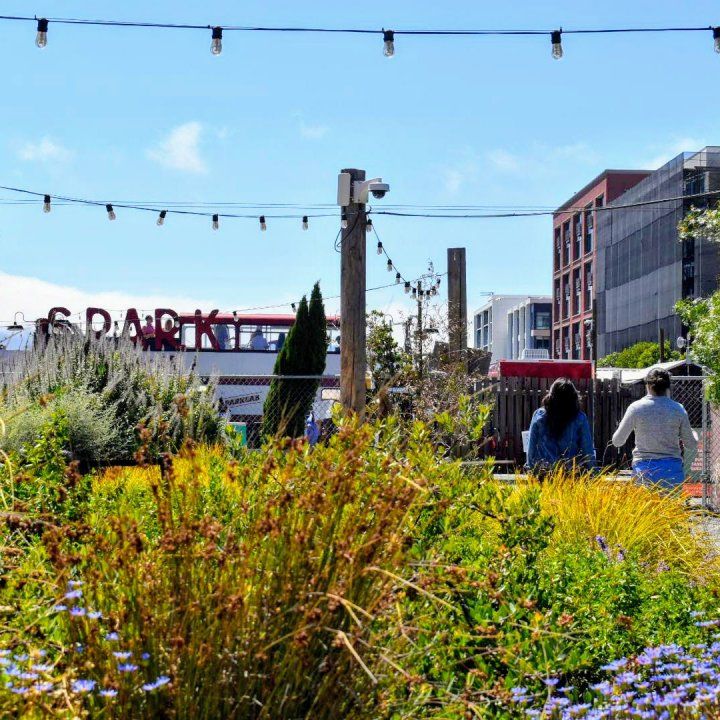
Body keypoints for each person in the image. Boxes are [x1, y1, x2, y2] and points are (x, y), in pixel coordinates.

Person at [612, 368, 698, 490]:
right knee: (670, 508)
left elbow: (617, 441)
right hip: (671, 471)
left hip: (644, 470)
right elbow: (691, 444)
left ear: (647, 385)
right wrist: (694, 433)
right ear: (668, 387)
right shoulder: (678, 409)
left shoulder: (636, 408)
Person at [526, 378, 596, 476]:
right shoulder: (579, 418)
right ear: (573, 397)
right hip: (570, 473)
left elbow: (531, 446)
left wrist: (531, 468)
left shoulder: (539, 415)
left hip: (544, 472)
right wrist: (594, 471)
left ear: (551, 395)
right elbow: (587, 449)